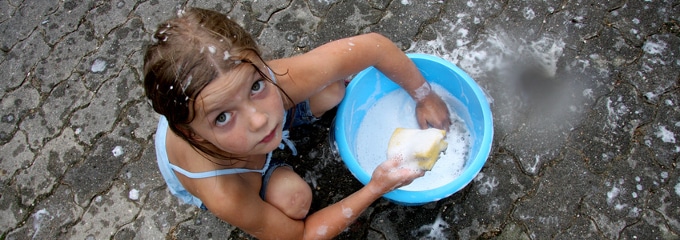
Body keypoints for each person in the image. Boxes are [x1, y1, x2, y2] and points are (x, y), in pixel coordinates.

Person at [143, 7, 451, 239]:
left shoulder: (265, 80)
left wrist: (424, 96)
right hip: (239, 169)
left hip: (238, 128)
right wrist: (375, 188)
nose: (260, 119)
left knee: (334, 89)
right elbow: (300, 235)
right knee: (295, 200)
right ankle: (274, 168)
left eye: (255, 86)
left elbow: (374, 46)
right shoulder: (224, 190)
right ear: (188, 131)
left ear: (261, 64)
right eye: (222, 117)